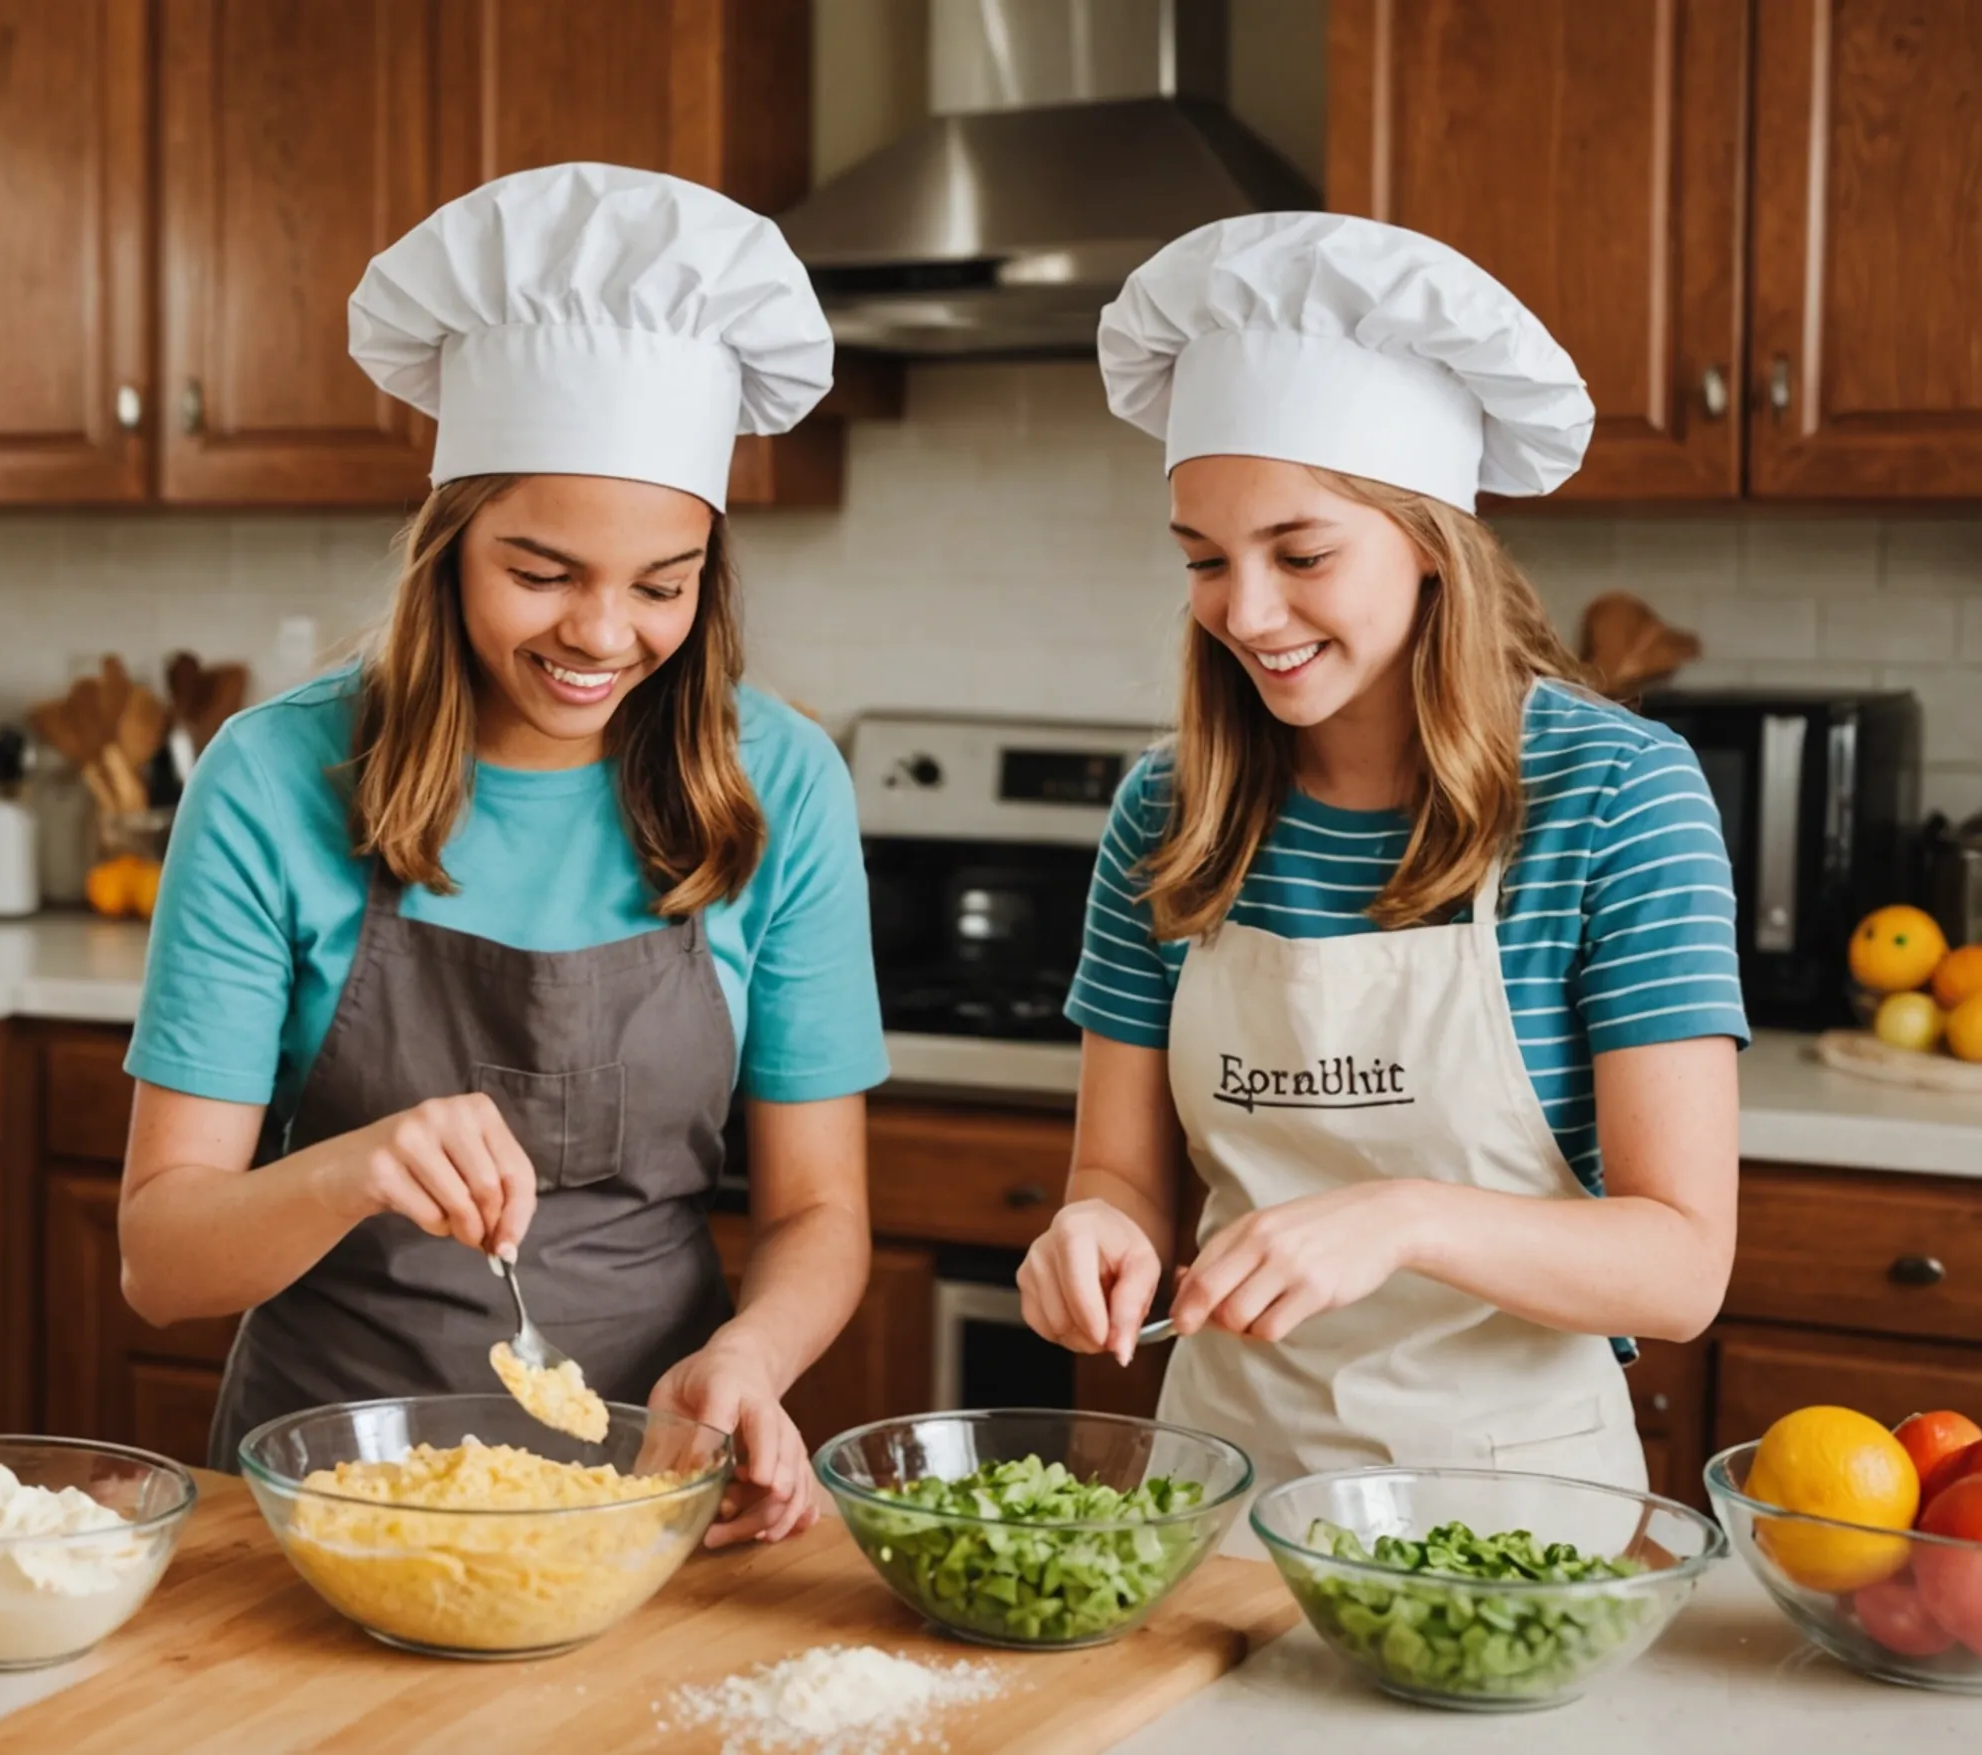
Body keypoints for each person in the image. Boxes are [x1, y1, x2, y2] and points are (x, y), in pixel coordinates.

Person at [116, 164, 888, 1546]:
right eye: (541, 572)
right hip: (314, 1507)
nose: (602, 635)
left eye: (663, 583)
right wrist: (357, 1163)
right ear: (448, 543)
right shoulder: (274, 775)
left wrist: (752, 1358)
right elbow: (162, 1261)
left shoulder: (779, 779)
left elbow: (821, 1209)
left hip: (651, 1496)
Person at [1015, 212, 1748, 1494]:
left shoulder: (1615, 798)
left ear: (1430, 544)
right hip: (1217, 1497)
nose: (1245, 612)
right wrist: (1090, 1229)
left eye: (1301, 554)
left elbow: (1681, 1270)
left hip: (1513, 1525)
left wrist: (1403, 1216)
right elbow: (1120, 1174)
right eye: (1203, 560)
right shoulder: (1169, 810)